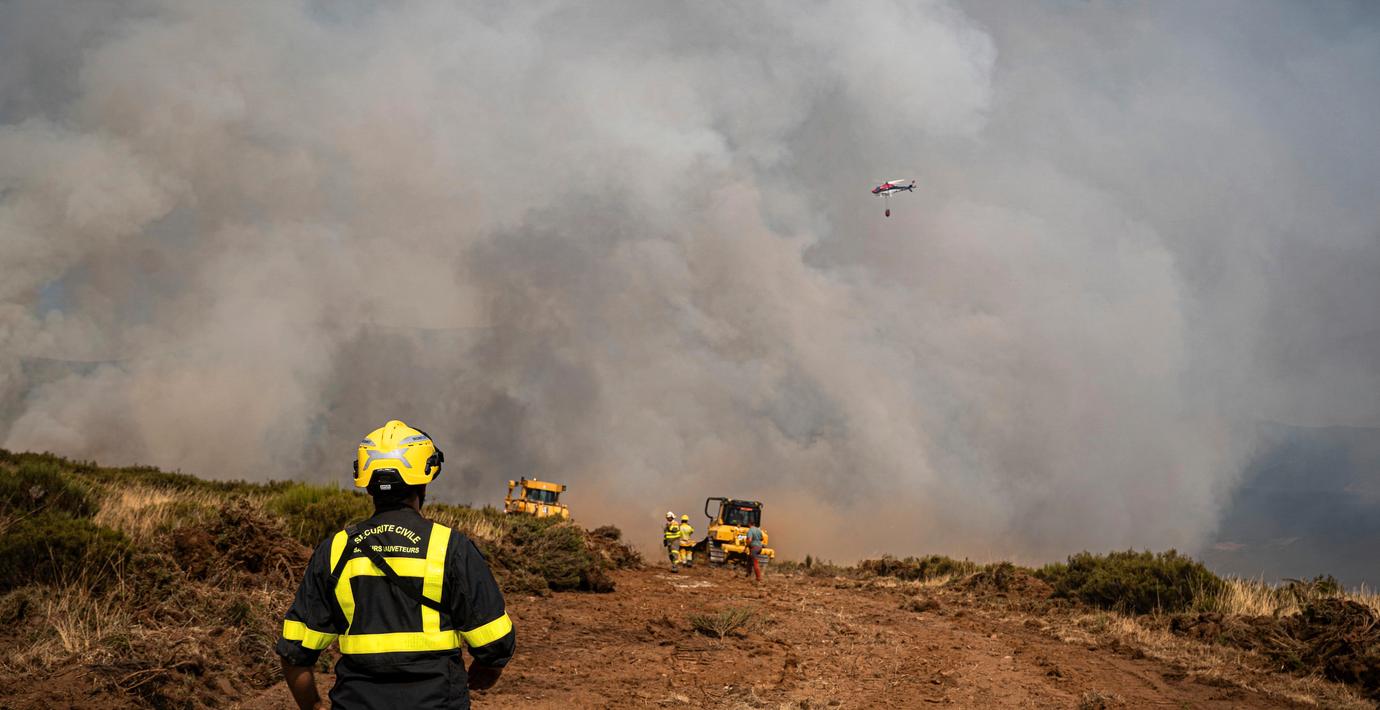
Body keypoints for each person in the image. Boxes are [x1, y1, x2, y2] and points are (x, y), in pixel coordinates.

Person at [276, 420, 515, 709]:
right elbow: (495, 642)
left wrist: (313, 706)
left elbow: (294, 654)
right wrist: (485, 671)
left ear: (366, 483)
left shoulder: (335, 550)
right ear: (423, 480)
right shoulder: (451, 548)